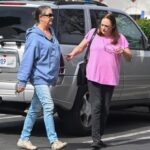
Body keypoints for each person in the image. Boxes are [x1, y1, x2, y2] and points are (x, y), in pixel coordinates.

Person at [66, 13, 132, 150]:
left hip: (110, 78)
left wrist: (123, 51)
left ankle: (99, 136)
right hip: (93, 76)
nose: (103, 28)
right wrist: (73, 53)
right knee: (96, 106)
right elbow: (81, 46)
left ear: (113, 26)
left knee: (105, 109)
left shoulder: (119, 38)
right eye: (102, 25)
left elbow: (129, 57)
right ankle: (95, 139)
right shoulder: (93, 34)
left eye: (107, 26)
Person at [16, 5, 67, 150]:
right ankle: (54, 141)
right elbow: (27, 59)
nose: (52, 17)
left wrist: (56, 74)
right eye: (49, 15)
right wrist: (22, 81)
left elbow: (55, 54)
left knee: (34, 109)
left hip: (48, 77)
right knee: (49, 106)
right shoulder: (34, 37)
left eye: (52, 15)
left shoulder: (50, 33)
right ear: (41, 17)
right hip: (39, 77)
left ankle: (23, 138)